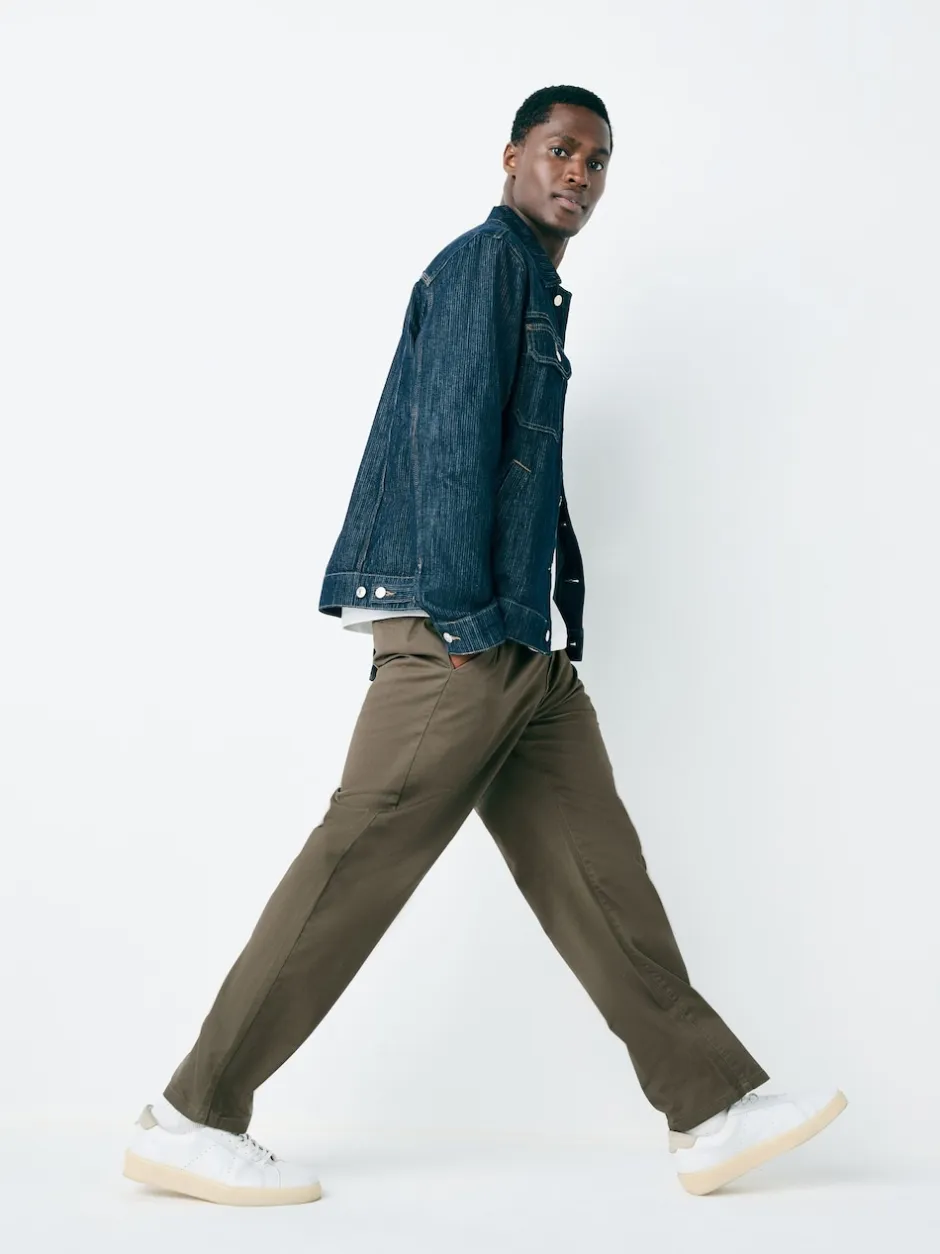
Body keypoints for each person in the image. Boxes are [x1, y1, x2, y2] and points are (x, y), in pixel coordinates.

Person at [122, 84, 846, 1207]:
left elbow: (517, 466)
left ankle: (709, 1108)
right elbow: (452, 441)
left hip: (523, 649)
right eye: (560, 150)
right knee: (357, 862)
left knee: (599, 874)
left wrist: (542, 623)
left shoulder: (535, 287)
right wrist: (464, 620)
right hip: (462, 635)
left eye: (597, 161)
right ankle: (192, 1115)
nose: (578, 174)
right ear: (511, 156)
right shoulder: (484, 268)